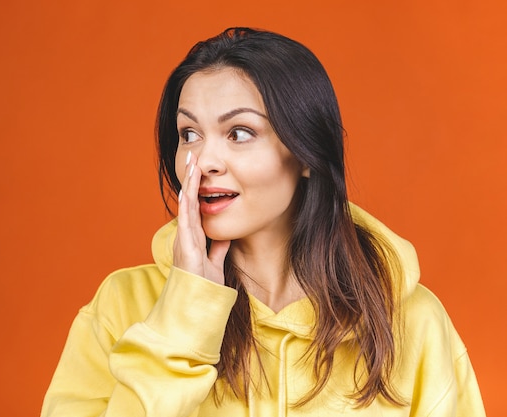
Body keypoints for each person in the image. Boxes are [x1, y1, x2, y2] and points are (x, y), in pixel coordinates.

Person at [40, 27, 486, 417]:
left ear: (305, 152)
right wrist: (183, 316)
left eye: (239, 133)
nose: (204, 160)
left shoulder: (410, 320)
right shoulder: (121, 307)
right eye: (188, 134)